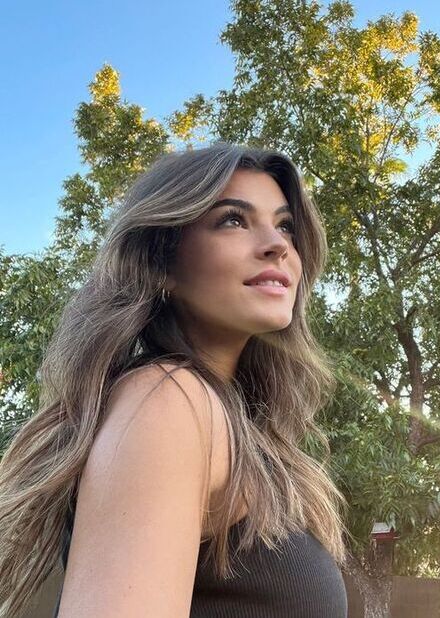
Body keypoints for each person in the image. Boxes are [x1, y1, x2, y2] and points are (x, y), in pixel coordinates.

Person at [0, 142, 349, 617]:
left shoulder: (231, 422)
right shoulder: (167, 400)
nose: (278, 245)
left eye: (284, 225)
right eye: (233, 220)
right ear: (163, 265)